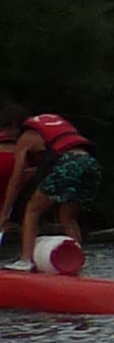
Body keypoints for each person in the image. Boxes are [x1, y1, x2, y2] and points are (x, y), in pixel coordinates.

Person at [4, 113, 104, 273]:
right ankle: (76, 262)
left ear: (13, 126)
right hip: (90, 164)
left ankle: (25, 260)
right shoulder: (52, 124)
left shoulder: (25, 138)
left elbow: (15, 180)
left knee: (32, 209)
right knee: (68, 217)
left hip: (69, 163)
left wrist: (4, 213)